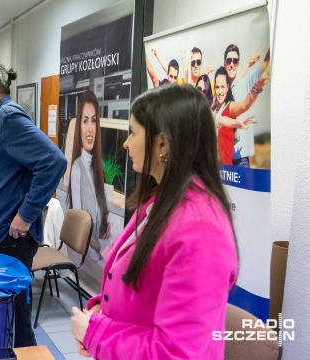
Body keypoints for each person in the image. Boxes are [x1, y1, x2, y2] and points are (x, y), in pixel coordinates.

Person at [70, 84, 238, 359]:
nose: (125, 143)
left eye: (133, 133)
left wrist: (97, 333)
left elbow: (176, 353)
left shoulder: (201, 229)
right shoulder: (162, 199)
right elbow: (140, 288)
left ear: (161, 143)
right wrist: (100, 312)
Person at [0, 56, 66, 347]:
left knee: (18, 324)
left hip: (11, 241)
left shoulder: (8, 117)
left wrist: (26, 215)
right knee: (4, 321)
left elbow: (54, 162)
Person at [68, 90, 111, 254]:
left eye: (94, 121)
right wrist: (94, 242)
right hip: (87, 250)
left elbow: (99, 207)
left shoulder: (97, 167)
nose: (90, 129)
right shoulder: (78, 167)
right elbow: (79, 217)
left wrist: (105, 226)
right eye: (85, 121)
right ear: (79, 125)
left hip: (98, 245)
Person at [212, 66, 266, 165]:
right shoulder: (213, 109)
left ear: (227, 87)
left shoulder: (230, 106)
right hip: (215, 167)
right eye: (217, 87)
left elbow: (245, 104)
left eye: (222, 87)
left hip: (229, 168)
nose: (220, 91)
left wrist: (256, 89)